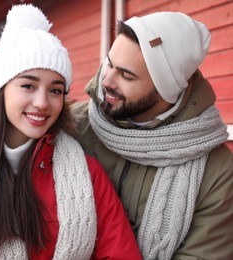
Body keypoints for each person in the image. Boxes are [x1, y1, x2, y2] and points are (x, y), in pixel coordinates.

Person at [0, 4, 142, 259]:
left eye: (55, 90)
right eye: (28, 86)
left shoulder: (88, 175)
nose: (42, 102)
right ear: (1, 90)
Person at [72, 12, 233, 259]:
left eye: (126, 75)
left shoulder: (217, 171)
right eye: (109, 63)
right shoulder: (73, 126)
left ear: (166, 88)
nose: (106, 80)